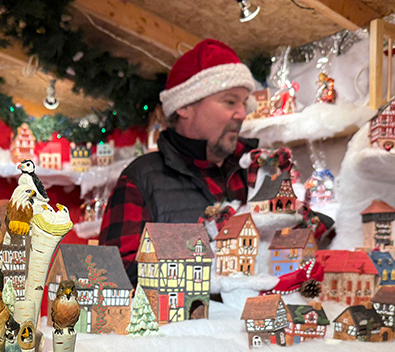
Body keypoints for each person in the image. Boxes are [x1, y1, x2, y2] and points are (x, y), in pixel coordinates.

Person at [99, 39, 284, 285]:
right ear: (185, 106)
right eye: (230, 101)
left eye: (243, 102)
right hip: (184, 320)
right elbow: (112, 278)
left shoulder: (258, 171)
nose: (242, 113)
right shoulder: (141, 180)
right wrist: (196, 254)